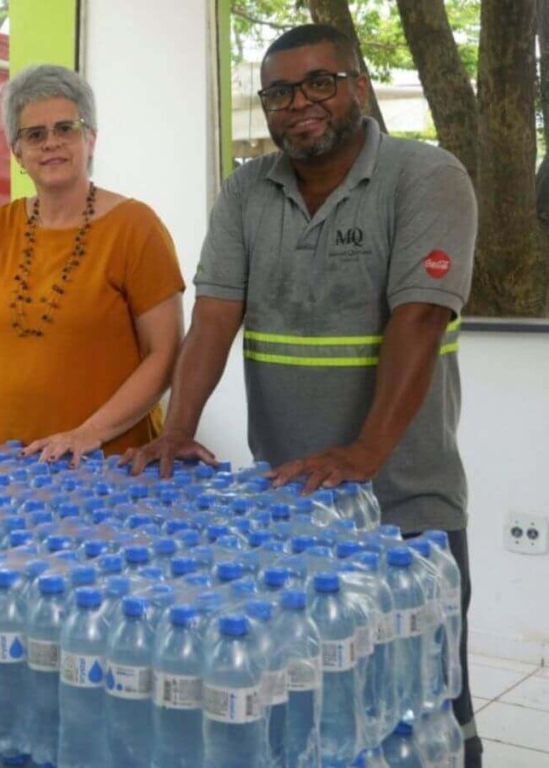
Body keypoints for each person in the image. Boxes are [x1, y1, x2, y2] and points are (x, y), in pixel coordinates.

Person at [124, 24, 483, 765]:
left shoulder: (425, 176)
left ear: (360, 87)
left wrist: (365, 452)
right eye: (280, 92)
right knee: (314, 714)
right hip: (286, 508)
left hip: (404, 509)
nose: (300, 104)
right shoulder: (246, 190)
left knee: (425, 711)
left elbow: (419, 319)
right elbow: (214, 316)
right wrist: (176, 427)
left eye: (321, 82)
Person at [0, 64, 185, 462]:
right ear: (17, 152)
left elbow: (165, 354)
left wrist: (87, 434)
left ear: (90, 139)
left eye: (66, 128)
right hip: (1, 472)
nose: (51, 143)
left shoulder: (136, 227)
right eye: (35, 134)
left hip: (104, 470)